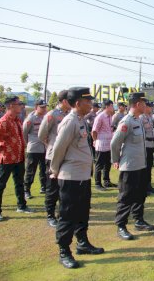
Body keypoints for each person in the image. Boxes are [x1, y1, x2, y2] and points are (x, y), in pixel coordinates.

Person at [50, 87, 104, 269]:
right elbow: (58, 149)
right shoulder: (70, 121)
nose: (91, 104)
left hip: (82, 176)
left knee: (82, 212)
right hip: (71, 176)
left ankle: (82, 242)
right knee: (67, 215)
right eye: (88, 101)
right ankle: (64, 251)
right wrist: (54, 170)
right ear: (78, 103)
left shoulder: (81, 120)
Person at [111, 93, 154, 241]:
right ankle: (121, 226)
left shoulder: (138, 120)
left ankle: (139, 220)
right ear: (138, 104)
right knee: (126, 196)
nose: (146, 106)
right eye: (144, 103)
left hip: (140, 165)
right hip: (129, 166)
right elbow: (115, 143)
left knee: (140, 194)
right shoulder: (127, 121)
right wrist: (115, 160)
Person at [0, 96, 33, 222]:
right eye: (18, 104)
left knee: (19, 183)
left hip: (19, 157)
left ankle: (22, 206)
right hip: (7, 158)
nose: (21, 106)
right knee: (0, 185)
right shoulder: (4, 121)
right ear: (10, 106)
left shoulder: (17, 120)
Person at [38, 89, 71, 228]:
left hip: (67, 156)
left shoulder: (69, 114)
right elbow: (41, 134)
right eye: (70, 100)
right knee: (52, 188)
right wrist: (51, 146)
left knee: (64, 186)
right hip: (53, 157)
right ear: (64, 101)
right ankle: (50, 215)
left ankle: (61, 213)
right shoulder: (52, 115)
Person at [23, 99, 48, 199]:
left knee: (44, 169)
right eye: (42, 107)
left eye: (45, 107)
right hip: (34, 147)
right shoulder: (31, 118)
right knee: (30, 170)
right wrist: (28, 143)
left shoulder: (46, 117)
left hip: (45, 147)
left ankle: (43, 187)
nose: (44, 109)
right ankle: (26, 190)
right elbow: (25, 133)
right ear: (36, 107)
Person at [92, 99, 115, 191]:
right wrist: (95, 141)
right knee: (99, 164)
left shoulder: (109, 116)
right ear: (107, 107)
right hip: (101, 144)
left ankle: (106, 181)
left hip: (108, 144)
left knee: (108, 164)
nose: (113, 108)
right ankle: (98, 183)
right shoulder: (100, 117)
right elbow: (94, 131)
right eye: (112, 106)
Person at [141, 101, 154, 194]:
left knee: (149, 166)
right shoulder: (141, 117)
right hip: (145, 144)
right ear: (146, 107)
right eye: (150, 107)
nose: (152, 108)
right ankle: (143, 187)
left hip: (150, 143)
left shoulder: (149, 117)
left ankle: (148, 185)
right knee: (145, 167)